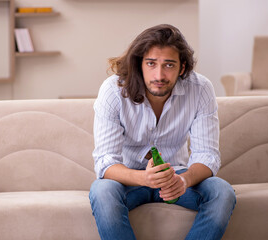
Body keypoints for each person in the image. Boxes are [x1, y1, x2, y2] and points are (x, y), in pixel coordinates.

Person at [89, 24, 236, 240]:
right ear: (140, 64)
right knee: (102, 191)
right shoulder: (113, 91)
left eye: (169, 65)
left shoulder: (201, 89)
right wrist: (143, 178)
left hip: (176, 177)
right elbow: (105, 162)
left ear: (182, 68)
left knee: (222, 192)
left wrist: (183, 181)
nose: (159, 75)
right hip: (128, 180)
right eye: (151, 64)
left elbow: (208, 155)